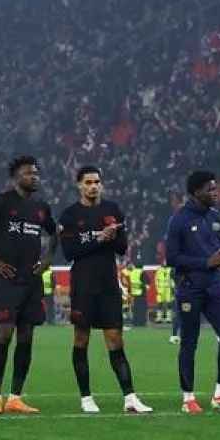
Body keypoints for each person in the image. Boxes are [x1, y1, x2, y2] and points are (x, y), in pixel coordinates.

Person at [58, 165, 154, 415]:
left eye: (97, 182)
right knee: (81, 338)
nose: (93, 186)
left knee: (115, 340)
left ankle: (130, 397)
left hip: (108, 284)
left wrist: (113, 236)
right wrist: (98, 238)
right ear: (79, 185)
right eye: (88, 182)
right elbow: (69, 252)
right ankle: (86, 397)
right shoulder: (70, 215)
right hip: (83, 285)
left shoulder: (113, 210)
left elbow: (122, 248)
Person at [0, 155, 57, 415]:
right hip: (8, 281)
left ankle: (15, 397)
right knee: (5, 335)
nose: (34, 176)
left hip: (32, 282)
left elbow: (54, 234)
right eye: (29, 172)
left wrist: (48, 260)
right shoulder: (1, 202)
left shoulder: (41, 208)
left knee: (26, 338)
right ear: (16, 177)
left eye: (36, 172)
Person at [165, 169, 220, 414]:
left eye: (215, 188)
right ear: (195, 192)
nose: (215, 192)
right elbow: (172, 258)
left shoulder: (218, 219)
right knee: (190, 340)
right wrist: (205, 263)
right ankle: (188, 398)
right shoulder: (179, 220)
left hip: (212, 287)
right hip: (190, 288)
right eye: (210, 189)